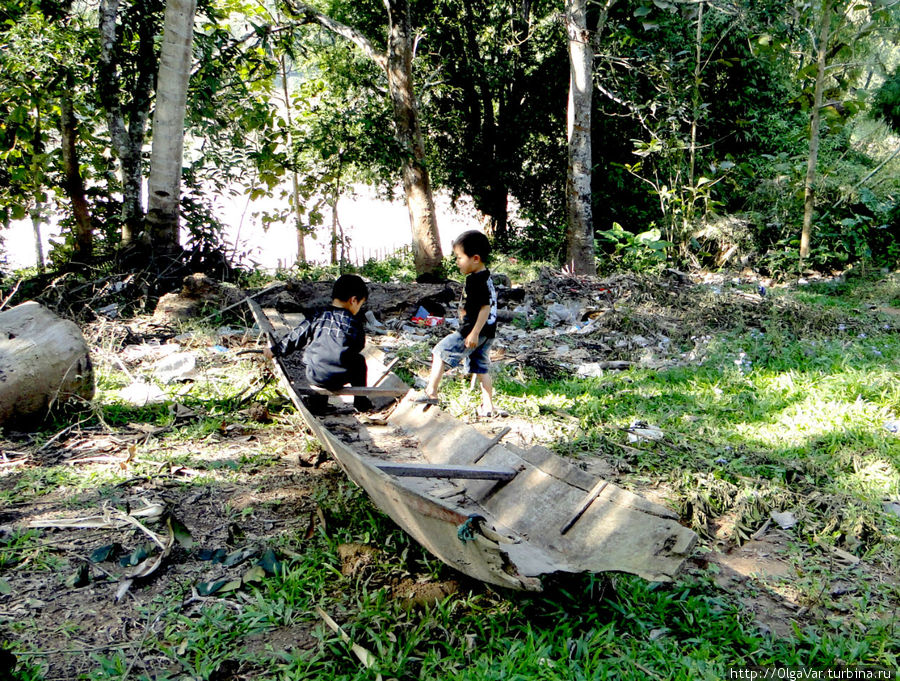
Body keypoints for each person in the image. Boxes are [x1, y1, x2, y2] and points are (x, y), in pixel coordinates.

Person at [416, 230, 498, 416]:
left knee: (439, 351)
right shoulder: (485, 277)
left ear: (475, 258)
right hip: (488, 331)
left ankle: (431, 392)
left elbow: (485, 307)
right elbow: (483, 305)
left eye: (459, 258)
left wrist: (474, 332)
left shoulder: (475, 281)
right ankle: (488, 406)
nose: (457, 262)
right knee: (481, 367)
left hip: (473, 331)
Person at [264, 274, 372, 412]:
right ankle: (361, 401)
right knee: (359, 362)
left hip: (315, 375)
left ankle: (317, 403)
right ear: (353, 300)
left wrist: (275, 350)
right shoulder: (353, 322)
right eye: (360, 304)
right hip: (341, 376)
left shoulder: (317, 315)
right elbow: (359, 345)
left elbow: (296, 336)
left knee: (317, 357)